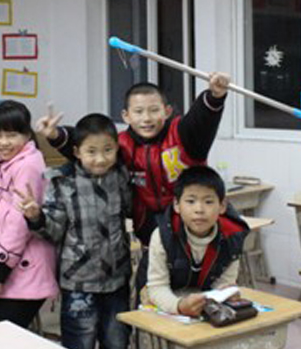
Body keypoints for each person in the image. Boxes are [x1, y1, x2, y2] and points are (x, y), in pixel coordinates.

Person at [17, 113, 132, 349]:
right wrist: (36, 217)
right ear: (77, 152)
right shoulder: (61, 181)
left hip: (117, 282)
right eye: (91, 151)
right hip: (79, 285)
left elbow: (130, 209)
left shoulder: (120, 176)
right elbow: (54, 231)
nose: (100, 159)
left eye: (107, 150)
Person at [38, 73, 230, 245]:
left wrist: (214, 96)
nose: (146, 118)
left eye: (154, 110)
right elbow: (90, 147)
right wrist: (56, 135)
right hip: (150, 230)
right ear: (126, 116)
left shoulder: (182, 134)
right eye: (138, 111)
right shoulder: (121, 144)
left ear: (167, 111)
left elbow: (200, 120)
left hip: (193, 227)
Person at [136, 165, 249, 349]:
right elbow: (157, 287)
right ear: (177, 205)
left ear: (222, 206)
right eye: (191, 201)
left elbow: (224, 283)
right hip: (158, 302)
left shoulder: (233, 238)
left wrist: (226, 294)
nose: (199, 209)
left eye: (208, 201)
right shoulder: (163, 236)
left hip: (198, 306)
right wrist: (179, 306)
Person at [0, 100, 58, 329]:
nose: (3, 142)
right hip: (12, 260)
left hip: (25, 262)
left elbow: (18, 225)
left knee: (3, 334)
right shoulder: (7, 158)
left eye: (11, 135)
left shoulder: (27, 165)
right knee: (3, 332)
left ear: (26, 135)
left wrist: (0, 272)